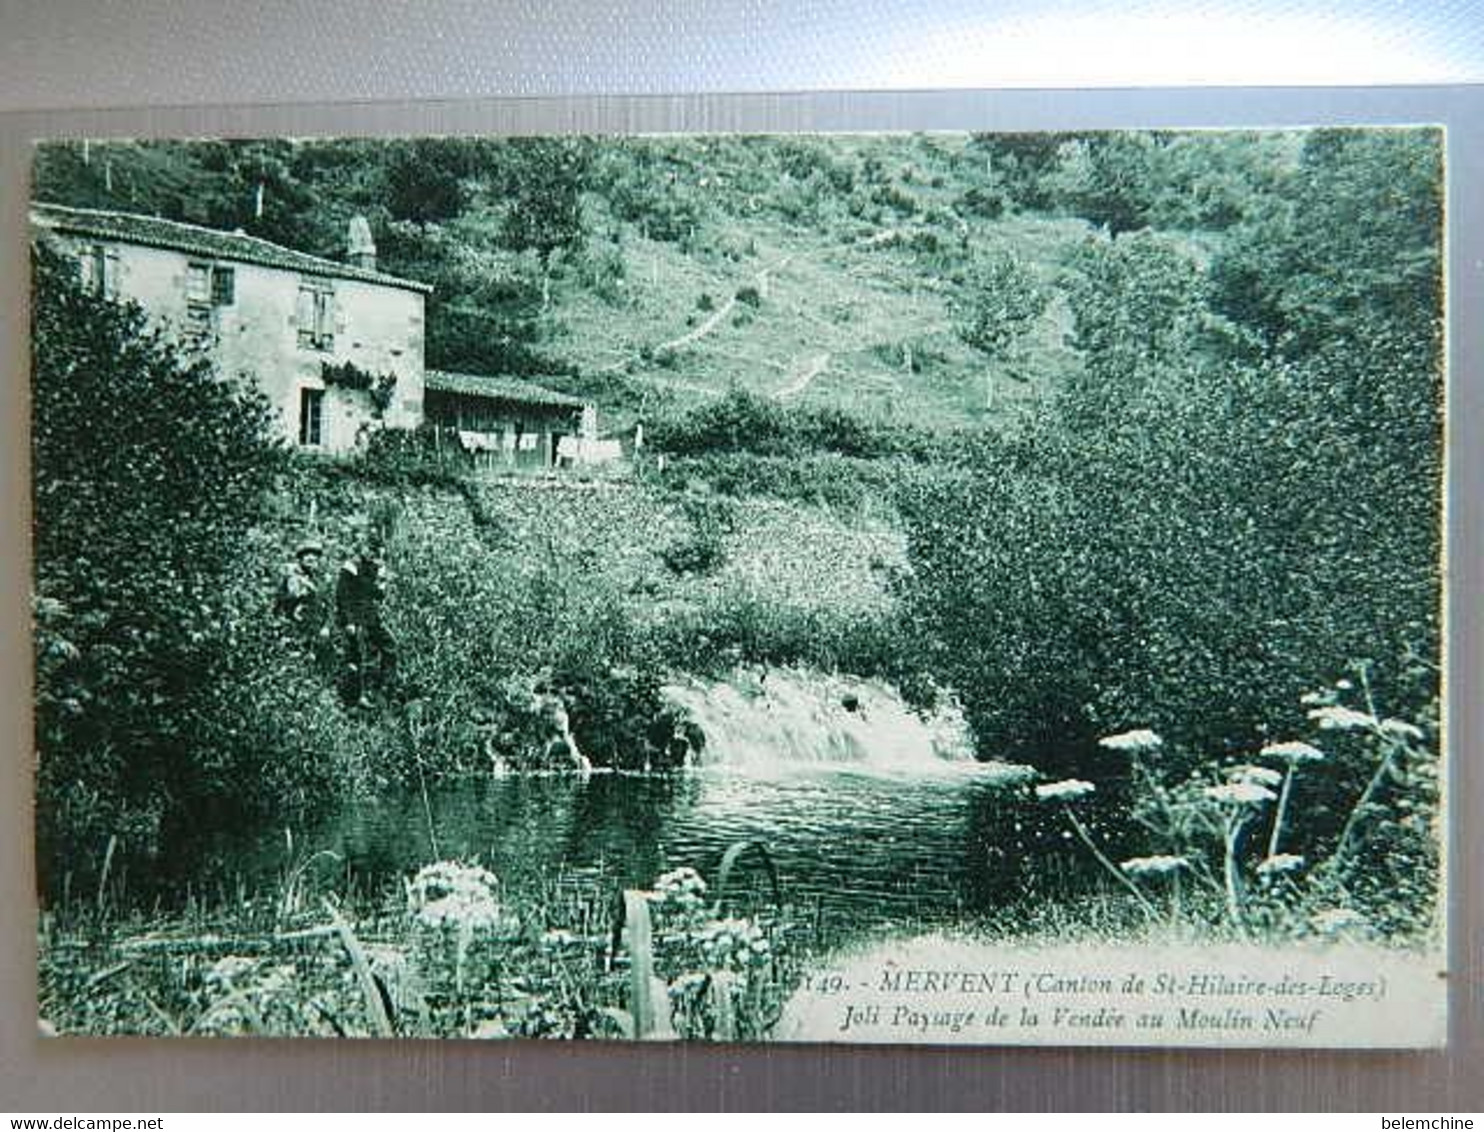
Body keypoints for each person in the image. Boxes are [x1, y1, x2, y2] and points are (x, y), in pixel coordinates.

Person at [335, 531, 397, 708]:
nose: (371, 553)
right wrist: (348, 622)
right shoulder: (350, 568)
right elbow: (342, 597)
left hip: (371, 617)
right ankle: (363, 695)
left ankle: (386, 686)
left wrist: (383, 581)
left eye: (374, 550)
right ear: (361, 547)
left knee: (390, 646)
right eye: (369, 548)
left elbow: (378, 595)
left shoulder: (373, 568)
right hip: (356, 618)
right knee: (364, 654)